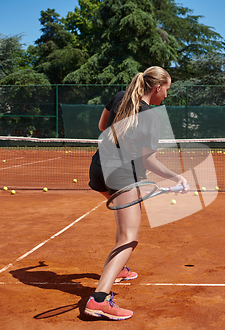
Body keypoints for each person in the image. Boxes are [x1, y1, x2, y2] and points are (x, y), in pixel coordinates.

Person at [85, 66, 189, 320]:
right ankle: (99, 299)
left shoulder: (121, 96)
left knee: (124, 224)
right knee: (129, 237)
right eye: (167, 89)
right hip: (121, 176)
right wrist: (176, 176)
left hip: (98, 170)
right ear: (157, 87)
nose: (166, 95)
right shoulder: (152, 117)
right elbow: (149, 160)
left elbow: (101, 126)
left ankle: (117, 268)